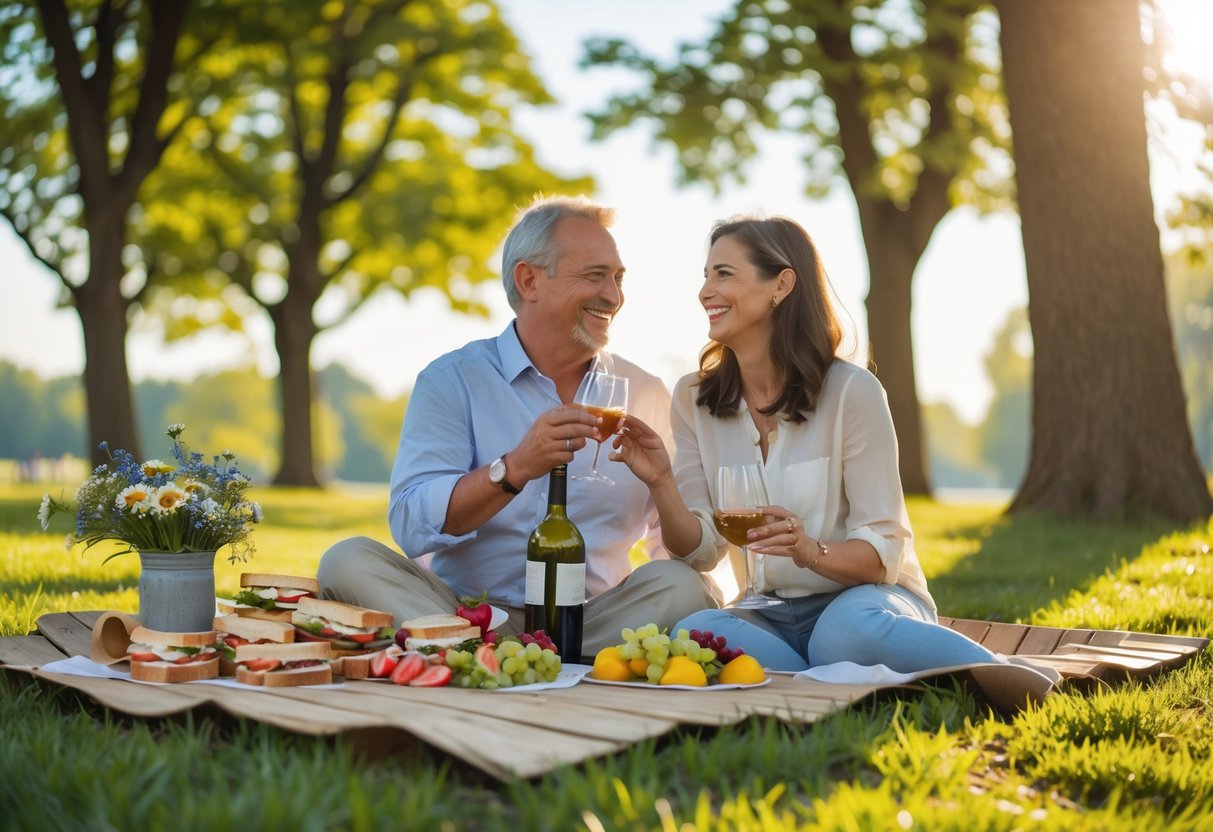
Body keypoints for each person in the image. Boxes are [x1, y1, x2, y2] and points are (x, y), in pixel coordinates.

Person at [611, 215, 1058, 681]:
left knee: (842, 635)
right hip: (767, 615)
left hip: (865, 601)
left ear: (781, 285)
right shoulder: (695, 399)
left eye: (724, 274)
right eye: (705, 276)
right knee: (695, 628)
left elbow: (882, 553)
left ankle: (1001, 672)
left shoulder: (852, 392)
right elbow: (700, 552)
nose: (705, 291)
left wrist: (808, 550)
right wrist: (661, 481)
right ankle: (825, 676)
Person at [317, 195, 719, 658]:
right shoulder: (453, 380)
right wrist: (513, 468)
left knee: (682, 585)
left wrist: (664, 483)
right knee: (346, 560)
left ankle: (487, 661)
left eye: (618, 277)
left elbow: (681, 554)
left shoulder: (644, 391)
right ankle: (483, 649)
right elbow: (409, 524)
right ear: (529, 280)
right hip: (465, 611)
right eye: (595, 276)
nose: (614, 295)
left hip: (592, 621)